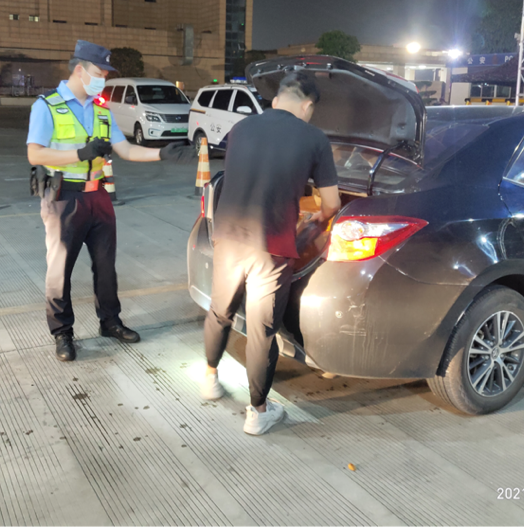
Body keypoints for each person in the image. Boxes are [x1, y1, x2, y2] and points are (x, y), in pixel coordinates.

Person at [26, 40, 195, 362]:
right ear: (80, 69)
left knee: (106, 266)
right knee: (59, 269)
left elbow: (126, 149)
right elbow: (34, 154)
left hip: (98, 197)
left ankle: (110, 322)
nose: (103, 78)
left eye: (105, 73)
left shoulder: (102, 110)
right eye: (99, 72)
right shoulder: (47, 106)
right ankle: (62, 332)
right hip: (63, 198)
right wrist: (81, 153)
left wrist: (163, 153)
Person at [200, 71, 341, 435]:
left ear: (276, 100)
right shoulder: (314, 138)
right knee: (261, 330)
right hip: (270, 247)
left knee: (220, 311)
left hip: (228, 237)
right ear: (307, 106)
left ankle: (210, 378)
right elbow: (332, 203)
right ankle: (258, 412)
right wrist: (315, 219)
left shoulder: (241, 128)